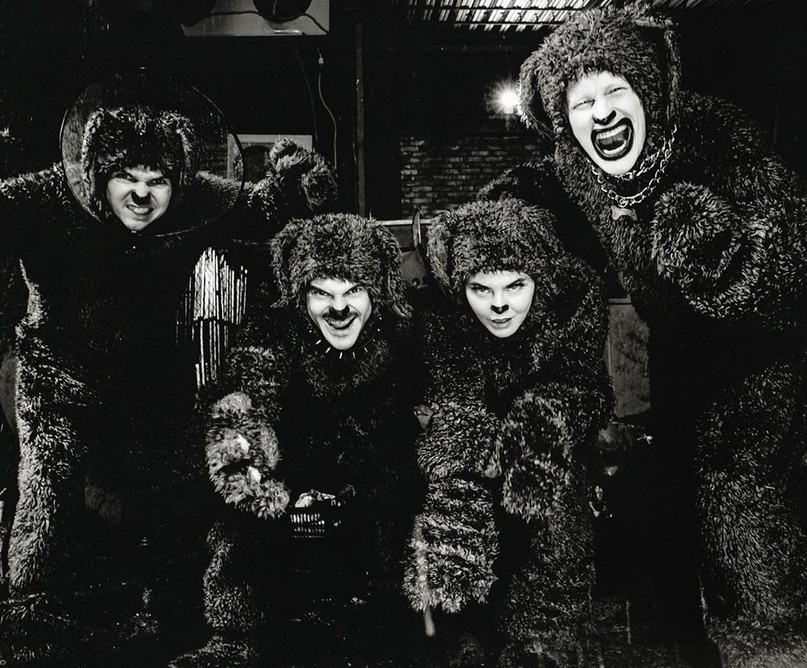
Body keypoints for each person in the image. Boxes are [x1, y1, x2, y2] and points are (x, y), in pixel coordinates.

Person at [0, 85, 338, 664]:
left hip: (150, 377)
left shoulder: (197, 198)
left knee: (177, 498)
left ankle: (171, 614)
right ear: (96, 175)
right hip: (57, 376)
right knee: (49, 498)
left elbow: (257, 209)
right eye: (126, 177)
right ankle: (32, 625)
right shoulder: (47, 195)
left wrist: (295, 183)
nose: (142, 194)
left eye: (157, 180)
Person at [501, 5, 807, 662]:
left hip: (761, 354)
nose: (601, 112)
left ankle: (771, 647)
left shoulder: (715, 135)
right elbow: (539, 193)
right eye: (582, 103)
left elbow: (787, 245)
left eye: (615, 91)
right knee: (671, 511)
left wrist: (723, 256)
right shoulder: (576, 166)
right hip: (678, 353)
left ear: (647, 90)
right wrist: (496, 224)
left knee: (738, 505)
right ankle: (687, 642)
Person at [170, 213, 425, 668]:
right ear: (300, 295)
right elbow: (252, 388)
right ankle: (234, 636)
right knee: (238, 515)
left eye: (353, 291)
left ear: (375, 292)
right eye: (321, 293)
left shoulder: (403, 336)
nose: (339, 309)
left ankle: (406, 630)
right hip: (292, 494)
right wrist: (252, 458)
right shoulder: (274, 331)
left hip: (374, 496)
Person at [404, 197, 612, 668]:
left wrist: (537, 425)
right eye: (481, 288)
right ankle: (463, 632)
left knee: (553, 499)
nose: (499, 304)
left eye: (515, 285)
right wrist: (471, 447)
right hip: (474, 472)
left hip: (547, 476)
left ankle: (542, 639)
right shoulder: (441, 317)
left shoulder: (572, 303)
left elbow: (588, 390)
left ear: (539, 278)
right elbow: (450, 406)